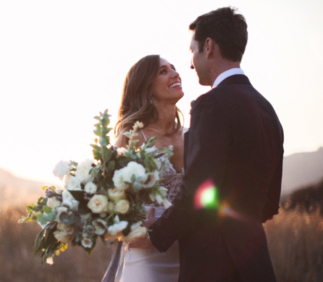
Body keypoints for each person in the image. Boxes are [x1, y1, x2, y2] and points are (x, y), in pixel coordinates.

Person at [146, 7, 284, 282]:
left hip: (213, 266)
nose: (190, 63)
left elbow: (198, 190)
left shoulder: (212, 104)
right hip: (256, 264)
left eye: (192, 51)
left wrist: (156, 233)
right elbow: (269, 203)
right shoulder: (267, 109)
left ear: (208, 47)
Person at [102, 54, 186, 282]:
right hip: (145, 259)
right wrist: (126, 228)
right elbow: (106, 200)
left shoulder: (193, 137)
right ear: (146, 87)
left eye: (174, 68)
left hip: (190, 256)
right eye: (163, 71)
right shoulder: (130, 139)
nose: (175, 73)